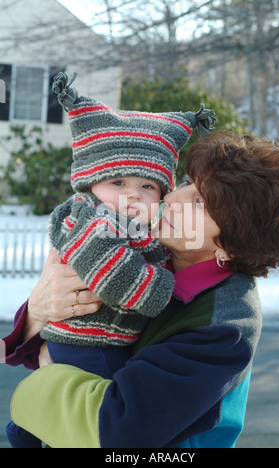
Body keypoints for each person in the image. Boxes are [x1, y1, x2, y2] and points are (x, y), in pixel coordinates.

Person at [3, 131, 279, 448]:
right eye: (186, 182)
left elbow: (120, 429)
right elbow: (69, 333)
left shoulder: (225, 327)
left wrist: (39, 383)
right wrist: (38, 311)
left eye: (199, 202)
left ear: (234, 246)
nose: (171, 198)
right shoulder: (146, 251)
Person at [5, 72, 215, 448]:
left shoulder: (137, 228)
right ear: (90, 183)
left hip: (91, 342)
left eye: (146, 186)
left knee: (66, 415)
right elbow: (117, 275)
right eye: (118, 183)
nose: (132, 196)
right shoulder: (93, 221)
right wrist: (158, 288)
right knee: (93, 408)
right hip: (91, 345)